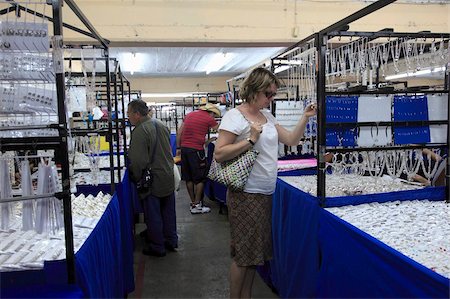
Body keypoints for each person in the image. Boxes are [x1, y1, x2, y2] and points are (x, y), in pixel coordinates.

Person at [213, 67, 316, 298]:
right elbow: (219, 154)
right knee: (243, 255)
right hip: (246, 193)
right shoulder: (235, 116)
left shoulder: (267, 116)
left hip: (266, 192)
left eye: (273, 94)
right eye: (268, 94)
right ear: (254, 91)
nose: (271, 98)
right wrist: (250, 139)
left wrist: (304, 118)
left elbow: (290, 140)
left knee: (254, 255)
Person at [127, 99, 178, 257]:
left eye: (129, 114)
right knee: (168, 212)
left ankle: (157, 246)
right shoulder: (160, 125)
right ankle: (171, 240)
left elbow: (137, 161)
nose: (128, 117)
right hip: (167, 174)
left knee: (153, 214)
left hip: (153, 179)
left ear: (137, 114)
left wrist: (136, 177)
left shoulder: (140, 131)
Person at [176, 102, 221, 214]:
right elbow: (222, 132)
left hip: (185, 149)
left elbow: (180, 132)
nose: (214, 118)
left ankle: (193, 203)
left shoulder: (190, 115)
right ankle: (197, 205)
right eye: (214, 115)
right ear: (211, 113)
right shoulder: (209, 119)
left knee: (189, 178)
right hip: (196, 151)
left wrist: (178, 147)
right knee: (200, 178)